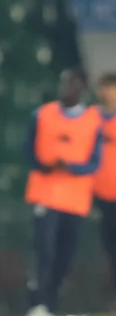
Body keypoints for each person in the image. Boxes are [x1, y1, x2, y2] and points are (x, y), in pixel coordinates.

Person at [24, 67, 103, 316]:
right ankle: (38, 303)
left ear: (83, 89)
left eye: (71, 84)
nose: (65, 89)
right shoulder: (42, 115)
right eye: (63, 83)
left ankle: (52, 300)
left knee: (65, 254)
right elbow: (28, 151)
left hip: (75, 199)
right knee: (45, 250)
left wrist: (73, 168)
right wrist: (44, 166)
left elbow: (94, 161)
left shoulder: (94, 121)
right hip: (46, 196)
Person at [94, 73, 116, 299]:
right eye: (103, 88)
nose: (106, 93)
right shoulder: (92, 119)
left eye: (110, 87)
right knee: (110, 248)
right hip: (99, 194)